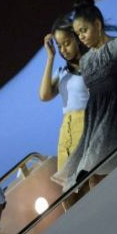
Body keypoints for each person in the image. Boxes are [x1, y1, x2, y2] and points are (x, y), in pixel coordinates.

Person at [56, 0, 117, 191]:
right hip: (95, 126)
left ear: (98, 24)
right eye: (77, 33)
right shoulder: (86, 61)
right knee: (92, 180)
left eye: (84, 30)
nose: (81, 37)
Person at [39, 14, 90, 209]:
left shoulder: (91, 63)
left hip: (87, 126)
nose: (63, 50)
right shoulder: (62, 73)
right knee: (68, 197)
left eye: (66, 43)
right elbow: (44, 95)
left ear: (77, 37)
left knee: (89, 185)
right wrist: (50, 57)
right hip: (66, 135)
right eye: (59, 46)